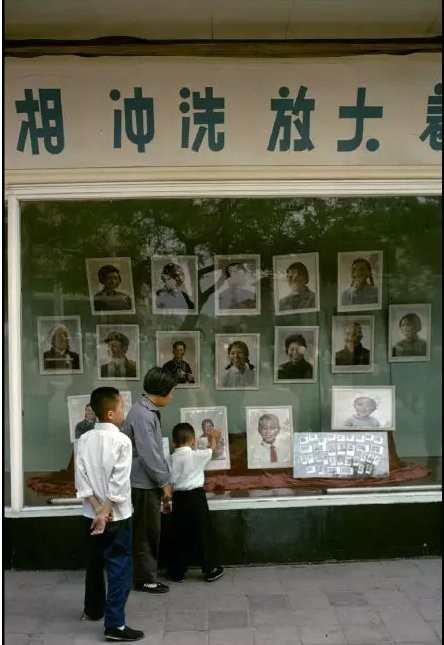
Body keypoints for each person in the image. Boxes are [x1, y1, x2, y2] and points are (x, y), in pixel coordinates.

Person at [75, 386, 144, 642]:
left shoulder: (83, 440)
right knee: (119, 567)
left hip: (89, 514)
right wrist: (105, 513)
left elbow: (81, 479)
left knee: (94, 563)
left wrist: (96, 510)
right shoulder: (122, 441)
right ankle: (115, 624)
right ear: (112, 413)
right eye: (122, 406)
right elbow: (119, 482)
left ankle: (93, 610)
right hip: (117, 517)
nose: (124, 410)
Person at [122, 367, 176, 594]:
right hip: (144, 483)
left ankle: (145, 573)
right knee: (147, 532)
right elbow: (149, 454)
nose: (172, 397)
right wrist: (164, 483)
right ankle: (145, 578)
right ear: (162, 392)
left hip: (145, 480)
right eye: (172, 392)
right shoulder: (143, 415)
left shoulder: (144, 410)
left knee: (147, 531)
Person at [167, 422, 224, 583]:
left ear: (173, 443)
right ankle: (210, 569)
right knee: (203, 533)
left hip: (178, 498)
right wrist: (213, 437)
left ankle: (177, 572)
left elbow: (169, 480)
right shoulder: (196, 455)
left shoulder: (171, 458)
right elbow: (211, 450)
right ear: (193, 441)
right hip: (196, 498)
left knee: (180, 534)